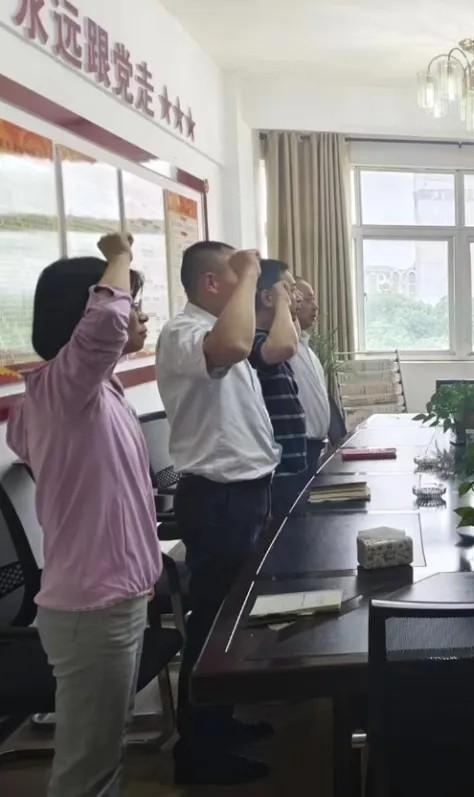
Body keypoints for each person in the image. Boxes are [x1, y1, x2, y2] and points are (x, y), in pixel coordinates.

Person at [6, 233, 160, 797]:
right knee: (87, 768)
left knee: (105, 750)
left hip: (114, 597)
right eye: (132, 302)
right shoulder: (63, 390)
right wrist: (118, 254)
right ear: (84, 314)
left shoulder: (90, 391)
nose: (138, 316)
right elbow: (107, 325)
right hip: (91, 608)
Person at [156, 241, 279, 785]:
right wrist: (250, 270)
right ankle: (199, 750)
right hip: (218, 499)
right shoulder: (185, 333)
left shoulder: (216, 331)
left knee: (232, 619)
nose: (250, 286)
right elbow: (231, 345)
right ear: (211, 283)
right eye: (239, 276)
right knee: (212, 622)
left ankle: (220, 721)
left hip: (243, 494)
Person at [247, 259, 309, 520]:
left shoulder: (269, 339)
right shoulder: (254, 342)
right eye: (289, 289)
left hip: (291, 465)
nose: (296, 297)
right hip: (277, 470)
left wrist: (285, 305)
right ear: (267, 297)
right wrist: (283, 303)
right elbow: (286, 345)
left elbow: (293, 337)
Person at [290, 278, 332, 473]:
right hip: (297, 448)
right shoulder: (284, 350)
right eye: (306, 300)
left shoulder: (307, 349)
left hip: (315, 448)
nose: (315, 306)